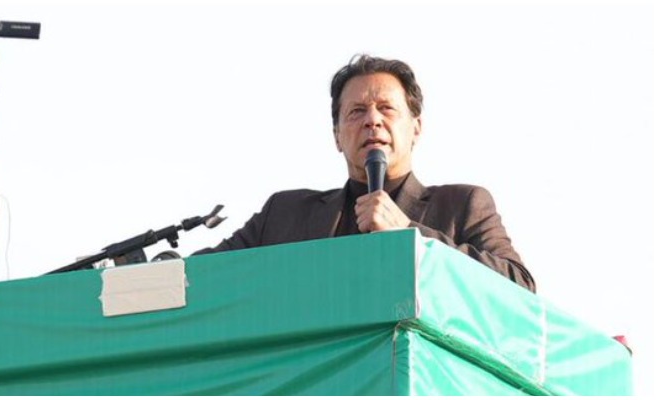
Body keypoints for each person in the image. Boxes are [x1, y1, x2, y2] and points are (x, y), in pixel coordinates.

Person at [194, 55, 536, 293]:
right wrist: (148, 271)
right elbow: (200, 276)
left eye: (386, 108)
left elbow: (519, 286)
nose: (372, 120)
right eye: (356, 112)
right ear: (336, 136)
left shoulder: (462, 204)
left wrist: (409, 233)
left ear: (416, 128)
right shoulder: (284, 213)